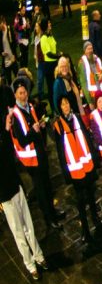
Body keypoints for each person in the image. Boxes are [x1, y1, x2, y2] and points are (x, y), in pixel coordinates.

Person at [7, 77, 63, 228]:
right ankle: (48, 218)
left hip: (40, 154)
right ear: (15, 95)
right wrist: (33, 131)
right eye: (20, 93)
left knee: (47, 184)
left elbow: (35, 129)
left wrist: (42, 126)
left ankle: (53, 211)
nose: (23, 96)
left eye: (24, 92)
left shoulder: (30, 107)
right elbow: (22, 140)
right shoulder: (16, 115)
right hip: (31, 161)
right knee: (41, 190)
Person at [52, 93, 102, 245]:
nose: (66, 106)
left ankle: (96, 219)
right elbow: (61, 152)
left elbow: (88, 139)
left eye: (67, 103)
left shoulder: (77, 118)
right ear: (59, 107)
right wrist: (66, 173)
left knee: (91, 195)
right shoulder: (58, 126)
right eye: (62, 104)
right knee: (80, 201)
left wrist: (94, 159)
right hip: (75, 171)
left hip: (87, 165)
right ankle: (85, 230)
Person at [1, 109, 47, 279]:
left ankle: (38, 255)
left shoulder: (3, 137)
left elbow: (9, 146)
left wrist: (7, 126)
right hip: (5, 196)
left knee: (28, 224)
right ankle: (30, 264)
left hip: (16, 186)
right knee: (18, 232)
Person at [77, 42, 102, 109]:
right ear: (84, 51)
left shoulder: (97, 59)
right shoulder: (82, 64)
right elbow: (83, 83)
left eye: (91, 48)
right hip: (92, 95)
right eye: (88, 49)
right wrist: (89, 101)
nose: (90, 51)